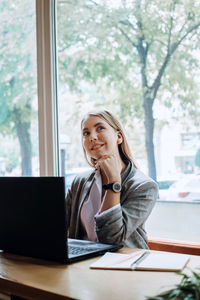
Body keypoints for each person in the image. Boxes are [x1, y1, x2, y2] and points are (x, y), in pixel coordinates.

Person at [66, 110, 158, 249]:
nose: (92, 137)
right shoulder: (79, 182)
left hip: (122, 265)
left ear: (118, 136)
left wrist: (114, 182)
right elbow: (56, 225)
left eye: (100, 128)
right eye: (86, 133)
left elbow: (111, 239)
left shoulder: (144, 187)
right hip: (83, 263)